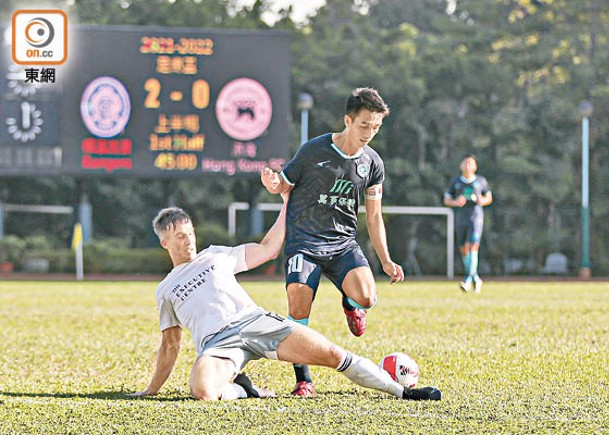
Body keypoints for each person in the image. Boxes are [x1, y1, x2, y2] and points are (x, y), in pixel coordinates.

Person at [131, 195, 441, 402]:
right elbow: (170, 344)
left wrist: (287, 205)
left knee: (333, 354)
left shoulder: (216, 255)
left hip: (257, 323)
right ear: (164, 242)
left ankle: (403, 392)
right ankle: (242, 389)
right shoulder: (166, 289)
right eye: (180, 236)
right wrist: (150, 390)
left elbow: (267, 249)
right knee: (202, 391)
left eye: (190, 232)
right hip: (217, 345)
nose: (189, 240)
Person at [260, 87, 404, 397]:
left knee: (367, 298)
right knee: (298, 304)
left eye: (376, 126)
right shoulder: (314, 150)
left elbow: (374, 217)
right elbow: (284, 183)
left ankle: (350, 304)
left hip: (342, 245)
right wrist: (274, 183)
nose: (369, 132)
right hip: (304, 243)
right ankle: (304, 380)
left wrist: (386, 260)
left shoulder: (373, 163)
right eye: (364, 125)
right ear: (348, 121)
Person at [443, 154, 493, 293]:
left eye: (470, 163)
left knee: (472, 246)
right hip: (460, 217)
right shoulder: (455, 182)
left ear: (475, 166)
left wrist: (482, 200)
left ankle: (467, 279)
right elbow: (446, 200)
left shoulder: (481, 181)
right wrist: (455, 202)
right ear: (461, 166)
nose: (467, 166)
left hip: (475, 217)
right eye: (465, 163)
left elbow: (488, 198)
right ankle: (475, 278)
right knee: (463, 249)